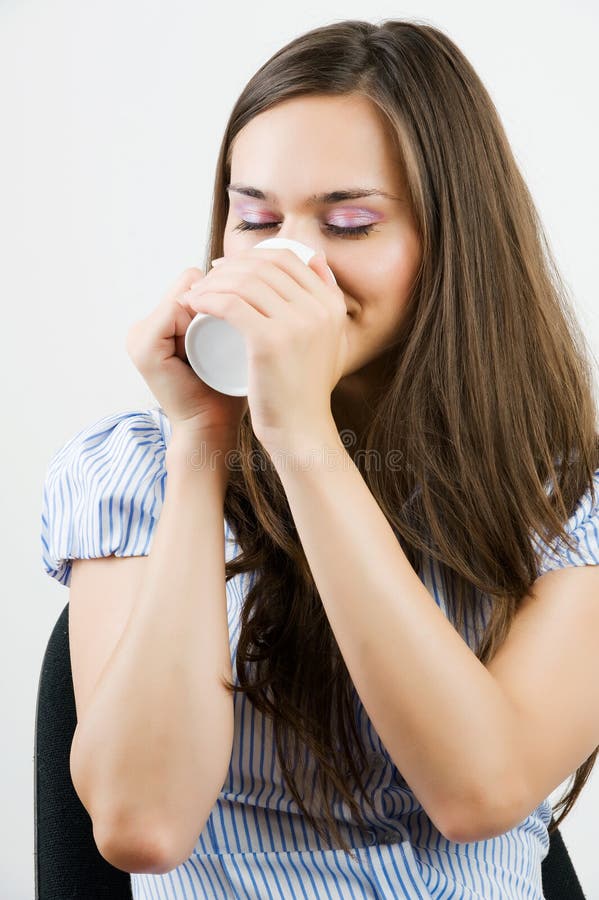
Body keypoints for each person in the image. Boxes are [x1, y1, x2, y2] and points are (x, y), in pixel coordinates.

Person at [40, 18, 599, 900]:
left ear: (450, 246)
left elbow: (478, 791)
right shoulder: (136, 472)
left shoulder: (559, 497)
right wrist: (202, 445)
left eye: (347, 223)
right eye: (255, 217)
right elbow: (140, 825)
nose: (284, 260)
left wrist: (304, 440)